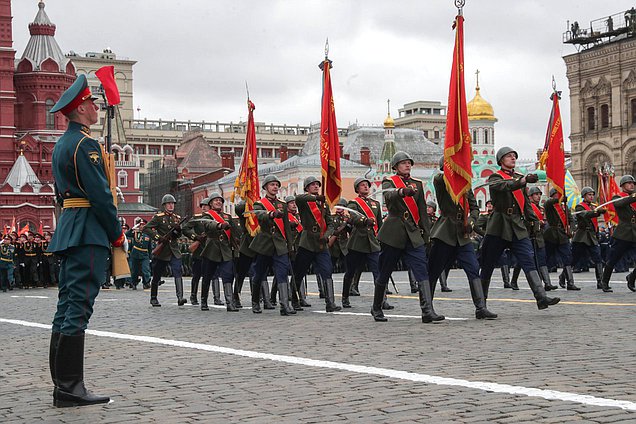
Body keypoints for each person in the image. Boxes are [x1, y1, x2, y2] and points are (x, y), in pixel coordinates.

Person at [48, 74, 127, 407]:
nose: (96, 108)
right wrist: (116, 232)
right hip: (88, 231)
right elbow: (100, 195)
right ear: (81, 108)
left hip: (70, 227)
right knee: (78, 306)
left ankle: (63, 385)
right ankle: (70, 387)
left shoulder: (63, 144)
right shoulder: (85, 145)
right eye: (92, 104)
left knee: (66, 305)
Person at [479, 147, 560, 310]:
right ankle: (481, 305)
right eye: (509, 156)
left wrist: (535, 220)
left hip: (517, 224)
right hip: (499, 225)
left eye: (514, 156)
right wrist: (523, 181)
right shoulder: (495, 177)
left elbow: (525, 203)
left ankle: (541, 297)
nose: (513, 158)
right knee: (487, 264)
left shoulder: (519, 177)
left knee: (528, 260)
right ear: (501, 160)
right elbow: (504, 187)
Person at [372, 151, 438, 323]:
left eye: (409, 163)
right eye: (403, 163)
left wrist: (426, 234)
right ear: (395, 166)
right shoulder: (389, 182)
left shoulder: (417, 184)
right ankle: (377, 307)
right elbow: (388, 196)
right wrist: (402, 192)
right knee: (385, 271)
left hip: (413, 233)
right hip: (394, 232)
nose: (407, 165)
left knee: (422, 271)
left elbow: (422, 210)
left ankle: (427, 311)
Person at [428, 159, 497, 320]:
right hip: (445, 232)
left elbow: (474, 208)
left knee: (473, 269)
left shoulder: (465, 185)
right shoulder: (441, 181)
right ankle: (427, 309)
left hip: (462, 234)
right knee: (434, 271)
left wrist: (471, 223)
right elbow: (439, 179)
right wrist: (450, 165)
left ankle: (481, 307)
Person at [292, 176, 341, 312]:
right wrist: (315, 199)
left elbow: (330, 223)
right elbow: (299, 198)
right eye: (312, 185)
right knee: (299, 273)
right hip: (307, 242)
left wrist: (326, 236)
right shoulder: (305, 201)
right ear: (307, 188)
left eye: (317, 185)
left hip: (321, 243)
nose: (316, 187)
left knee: (327, 271)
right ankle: (295, 300)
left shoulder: (323, 203)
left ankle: (330, 302)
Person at [249, 175, 295, 315]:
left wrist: (290, 246)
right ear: (265, 188)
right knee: (259, 274)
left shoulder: (283, 204)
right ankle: (256, 301)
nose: (275, 187)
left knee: (282, 274)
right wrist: (271, 215)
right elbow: (260, 217)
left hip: (280, 244)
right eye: (272, 185)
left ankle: (284, 305)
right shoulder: (259, 204)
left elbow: (287, 227)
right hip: (265, 244)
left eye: (276, 185)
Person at [340, 177, 382, 308]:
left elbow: (379, 223)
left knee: (378, 273)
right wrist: (364, 221)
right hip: (358, 243)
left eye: (367, 185)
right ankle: (345, 296)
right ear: (357, 189)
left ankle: (382, 300)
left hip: (372, 243)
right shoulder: (353, 203)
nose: (365, 187)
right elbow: (354, 217)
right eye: (362, 185)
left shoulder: (376, 204)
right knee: (351, 272)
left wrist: (381, 238)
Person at [198, 192, 239, 312]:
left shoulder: (227, 216)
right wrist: (220, 226)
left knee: (228, 275)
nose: (218, 202)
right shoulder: (207, 216)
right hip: (212, 249)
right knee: (207, 276)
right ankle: (204, 301)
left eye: (220, 200)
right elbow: (208, 226)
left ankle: (230, 303)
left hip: (225, 249)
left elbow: (234, 232)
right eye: (216, 200)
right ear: (210, 203)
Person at [144, 194, 186, 307]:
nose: (171, 205)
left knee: (178, 271)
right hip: (162, 250)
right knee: (157, 274)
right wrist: (158, 237)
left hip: (174, 249)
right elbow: (146, 228)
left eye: (172, 203)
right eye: (169, 203)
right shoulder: (158, 217)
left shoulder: (177, 218)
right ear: (164, 205)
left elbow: (178, 235)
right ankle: (153, 298)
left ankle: (180, 297)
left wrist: (178, 230)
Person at [600, 175, 636, 292]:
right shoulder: (618, 197)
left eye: (633, 183)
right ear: (623, 186)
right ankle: (604, 282)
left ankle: (631, 277)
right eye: (629, 183)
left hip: (634, 233)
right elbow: (620, 204)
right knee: (614, 259)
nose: (631, 185)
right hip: (623, 233)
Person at [572, 187, 606, 290]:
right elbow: (585, 215)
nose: (591, 197)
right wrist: (597, 212)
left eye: (592, 195)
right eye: (589, 195)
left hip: (591, 236)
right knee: (574, 259)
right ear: (584, 196)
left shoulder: (593, 207)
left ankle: (600, 282)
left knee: (598, 258)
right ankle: (563, 277)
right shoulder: (579, 207)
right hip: (581, 237)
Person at [527, 187, 558, 291]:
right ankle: (514, 281)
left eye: (539, 194)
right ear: (530, 196)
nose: (538, 196)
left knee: (541, 260)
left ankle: (547, 283)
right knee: (528, 262)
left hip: (539, 237)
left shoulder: (540, 209)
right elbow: (524, 221)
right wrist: (536, 223)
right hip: (529, 237)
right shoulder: (527, 207)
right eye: (536, 194)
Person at [182, 198, 210, 304]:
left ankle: (208, 297)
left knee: (209, 276)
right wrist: (196, 237)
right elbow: (185, 229)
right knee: (196, 275)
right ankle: (193, 295)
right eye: (202, 205)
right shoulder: (197, 219)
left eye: (206, 205)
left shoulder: (215, 218)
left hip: (211, 250)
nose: (203, 207)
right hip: (199, 250)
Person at [127, 218, 152, 290]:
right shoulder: (135, 232)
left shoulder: (148, 234)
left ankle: (146, 283)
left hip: (145, 254)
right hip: (135, 254)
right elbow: (127, 234)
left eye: (143, 225)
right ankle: (134, 283)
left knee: (146, 270)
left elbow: (149, 247)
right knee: (134, 270)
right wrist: (133, 228)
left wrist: (150, 257)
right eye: (141, 225)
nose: (142, 226)